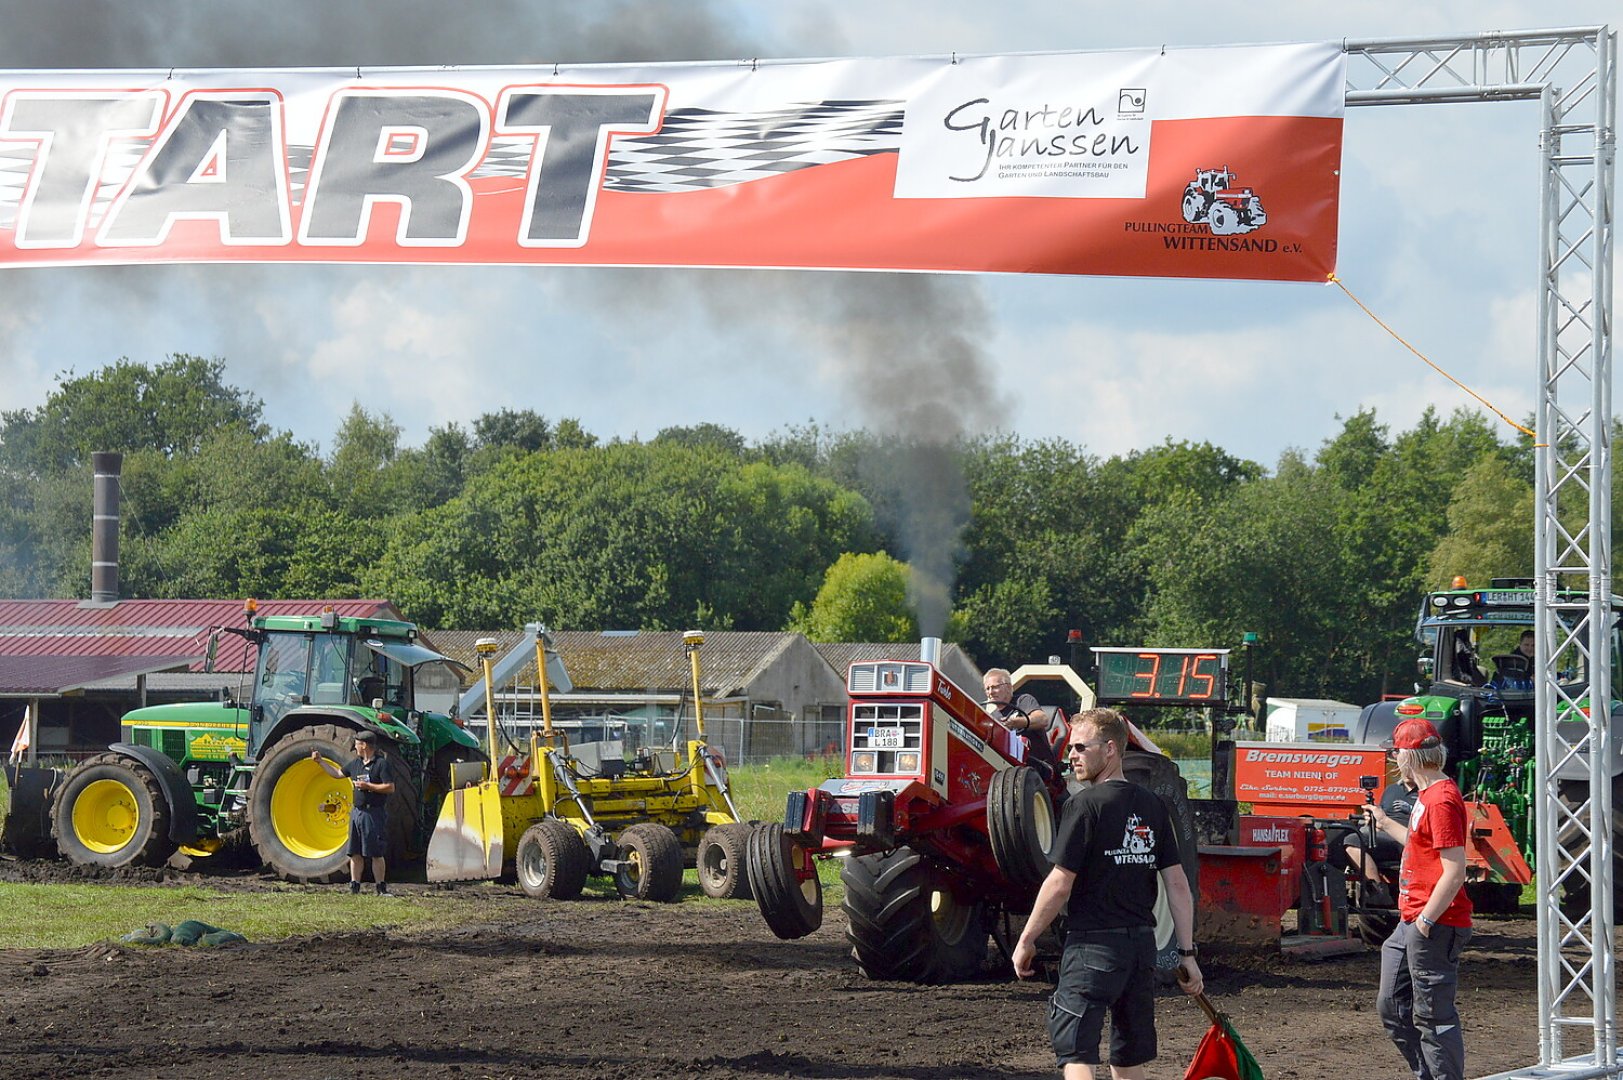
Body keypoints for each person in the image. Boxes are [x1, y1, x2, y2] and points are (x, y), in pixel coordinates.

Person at [1013, 708, 1202, 1080]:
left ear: (1111, 749)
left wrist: (1027, 938)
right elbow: (1177, 883)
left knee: (1077, 1053)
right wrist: (1186, 953)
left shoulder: (1083, 804)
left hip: (1093, 949)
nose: (1072, 755)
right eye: (1070, 747)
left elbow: (1059, 882)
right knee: (1128, 1059)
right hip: (1141, 951)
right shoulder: (1153, 806)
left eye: (1082, 747)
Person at [1362, 717, 1473, 1080]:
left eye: (1395, 755)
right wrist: (1382, 820)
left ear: (1407, 758)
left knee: (1433, 1016)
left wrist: (1425, 921)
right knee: (1392, 1006)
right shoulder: (1427, 795)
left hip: (1432, 921)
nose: (1394, 762)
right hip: (1414, 918)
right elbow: (1419, 844)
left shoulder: (1440, 799)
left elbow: (1455, 869)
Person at [311, 730, 395, 894]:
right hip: (356, 812)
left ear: (364, 745)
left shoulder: (381, 764)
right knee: (354, 852)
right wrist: (320, 762)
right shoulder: (355, 763)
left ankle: (381, 888)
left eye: (356, 743)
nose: (354, 746)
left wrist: (368, 787)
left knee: (376, 852)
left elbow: (390, 787)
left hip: (373, 813)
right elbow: (337, 774)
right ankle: (354, 886)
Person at [1335, 777, 1417, 907]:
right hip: (1384, 834)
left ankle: (1378, 893)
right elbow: (1382, 815)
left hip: (1410, 839)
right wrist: (1372, 817)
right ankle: (1376, 890)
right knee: (1346, 836)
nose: (1406, 769)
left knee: (1354, 839)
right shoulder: (1392, 789)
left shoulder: (1427, 792)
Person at [983, 668, 1058, 772]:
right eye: (987, 688)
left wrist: (1017, 723)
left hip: (1039, 767)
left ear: (1008, 687)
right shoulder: (992, 717)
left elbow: (1043, 720)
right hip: (1009, 770)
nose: (990, 692)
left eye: (995, 687)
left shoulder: (1023, 701)